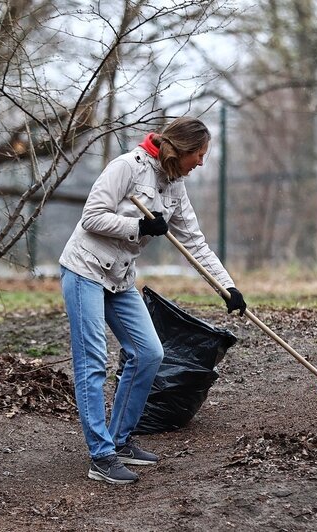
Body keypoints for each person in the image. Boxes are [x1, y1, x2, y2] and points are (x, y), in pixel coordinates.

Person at [58, 116, 246, 485]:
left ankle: (121, 439)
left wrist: (228, 288)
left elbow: (194, 242)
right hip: (85, 270)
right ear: (181, 150)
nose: (202, 162)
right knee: (92, 362)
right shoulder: (126, 168)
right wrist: (138, 226)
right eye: (199, 154)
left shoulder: (174, 186)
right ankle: (101, 456)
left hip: (120, 277)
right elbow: (91, 217)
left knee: (149, 354)